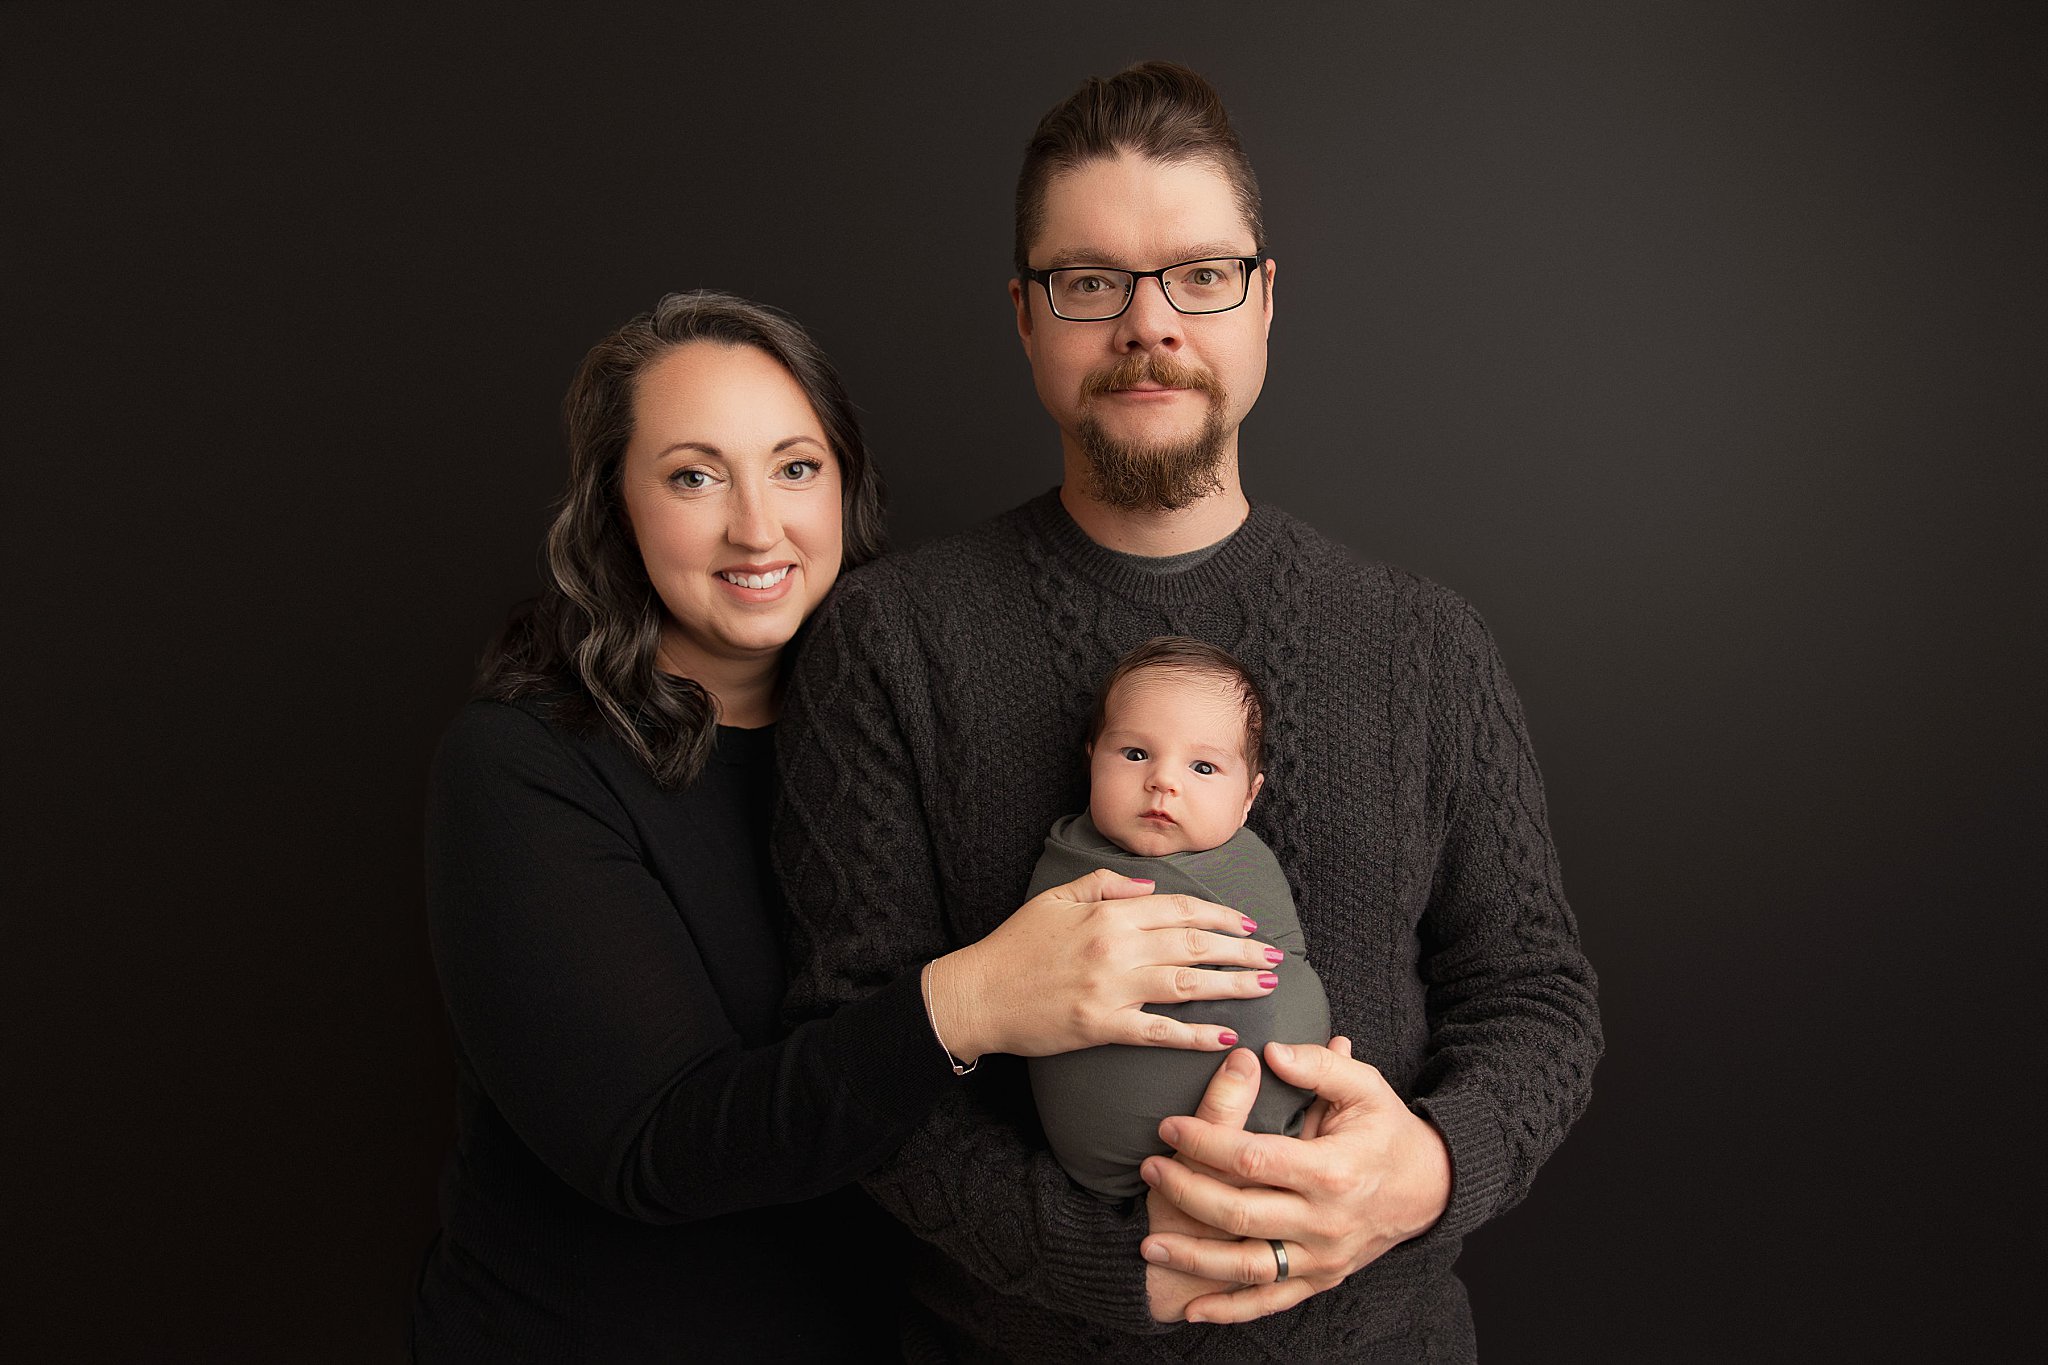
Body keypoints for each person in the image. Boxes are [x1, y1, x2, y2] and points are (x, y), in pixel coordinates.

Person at [775, 63, 1602, 1360]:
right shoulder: (887, 646)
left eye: (1200, 275)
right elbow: (853, 1057)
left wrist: (1429, 1169)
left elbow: (1538, 996)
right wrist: (1129, 1271)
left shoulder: (1424, 644)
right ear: (1025, 314)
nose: (1148, 325)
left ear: (1263, 299)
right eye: (1091, 281)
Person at [409, 290, 1288, 1362]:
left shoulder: (902, 720)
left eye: (794, 467)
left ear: (845, 485)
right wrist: (973, 1001)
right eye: (694, 475)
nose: (755, 526)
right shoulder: (522, 768)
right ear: (613, 507)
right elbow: (651, 1149)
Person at [1028, 636, 1331, 1200]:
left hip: (1282, 1145)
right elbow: (1032, 971)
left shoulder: (1248, 861)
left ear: (1248, 798)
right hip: (1107, 1147)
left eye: (1203, 766)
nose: (1164, 780)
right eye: (1136, 754)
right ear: (1092, 756)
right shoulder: (1067, 858)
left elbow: (1288, 954)